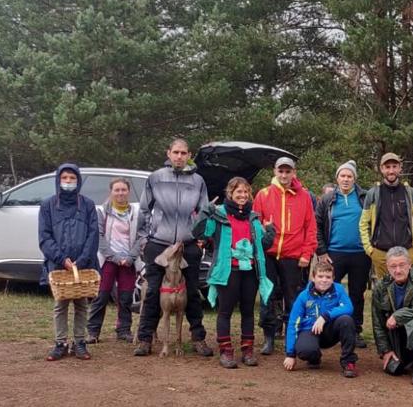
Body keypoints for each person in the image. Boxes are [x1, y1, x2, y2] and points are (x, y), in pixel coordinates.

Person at [134, 139, 213, 357]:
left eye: (183, 153)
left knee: (193, 293)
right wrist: (143, 239)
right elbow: (143, 210)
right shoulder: (156, 178)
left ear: (189, 155)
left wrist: (202, 238)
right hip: (159, 243)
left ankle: (198, 338)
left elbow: (204, 211)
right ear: (168, 153)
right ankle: (144, 338)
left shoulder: (198, 181)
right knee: (151, 292)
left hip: (187, 245)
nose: (179, 156)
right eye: (175, 152)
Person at [193, 177, 275, 368]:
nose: (243, 195)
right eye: (239, 192)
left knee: (248, 311)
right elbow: (199, 233)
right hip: (228, 270)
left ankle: (247, 351)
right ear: (230, 193)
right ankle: (226, 352)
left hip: (250, 270)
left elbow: (262, 245)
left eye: (246, 192)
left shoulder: (253, 217)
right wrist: (205, 212)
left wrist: (270, 231)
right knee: (225, 311)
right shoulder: (219, 214)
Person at [251, 156, 318, 356]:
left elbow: (310, 227)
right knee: (268, 297)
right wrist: (259, 245)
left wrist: (307, 253)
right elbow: (254, 226)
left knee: (293, 298)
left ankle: (292, 335)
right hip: (268, 255)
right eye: (281, 171)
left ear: (294, 173)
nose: (284, 175)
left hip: (293, 255)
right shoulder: (263, 195)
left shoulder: (304, 196)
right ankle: (269, 337)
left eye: (288, 171)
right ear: (275, 171)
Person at [40, 164, 100, 361]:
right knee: (61, 304)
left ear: (78, 180)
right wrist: (60, 258)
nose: (68, 182)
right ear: (58, 180)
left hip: (82, 264)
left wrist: (82, 259)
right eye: (64, 178)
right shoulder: (48, 205)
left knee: (81, 303)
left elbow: (93, 235)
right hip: (58, 265)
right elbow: (45, 236)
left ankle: (80, 342)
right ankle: (60, 343)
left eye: (71, 178)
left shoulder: (87, 205)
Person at [316, 160, 372, 348]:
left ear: (354, 178)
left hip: (360, 254)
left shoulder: (364, 197)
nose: (346, 179)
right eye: (343, 176)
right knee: (330, 292)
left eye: (349, 176)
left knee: (357, 293)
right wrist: (322, 251)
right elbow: (317, 225)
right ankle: (330, 327)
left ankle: (355, 330)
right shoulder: (328, 199)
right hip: (334, 253)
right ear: (337, 178)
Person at [370, 246, 413, 385]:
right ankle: (406, 359)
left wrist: (398, 316)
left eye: (402, 265)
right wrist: (385, 350)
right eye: (393, 266)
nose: (398, 270)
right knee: (395, 369)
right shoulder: (381, 286)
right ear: (387, 267)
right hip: (396, 334)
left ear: (409, 264)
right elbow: (377, 322)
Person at [282, 260, 358, 377]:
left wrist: (325, 316)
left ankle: (348, 362)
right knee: (305, 350)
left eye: (328, 277)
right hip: (310, 330)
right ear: (313, 277)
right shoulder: (304, 296)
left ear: (333, 279)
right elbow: (293, 324)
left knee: (346, 320)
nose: (324, 280)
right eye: (320, 276)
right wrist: (290, 354)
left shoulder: (339, 290)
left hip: (330, 331)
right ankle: (314, 357)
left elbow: (348, 307)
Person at [87, 177, 140, 343]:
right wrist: (115, 257)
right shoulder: (102, 212)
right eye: (116, 190)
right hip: (108, 260)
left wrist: (131, 257)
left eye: (123, 190)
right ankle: (93, 332)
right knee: (101, 296)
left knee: (125, 298)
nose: (120, 193)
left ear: (128, 192)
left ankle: (123, 330)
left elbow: (141, 236)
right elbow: (99, 237)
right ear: (111, 192)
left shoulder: (136, 213)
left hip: (128, 261)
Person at [359, 153, 413, 279]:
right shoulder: (373, 194)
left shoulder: (410, 193)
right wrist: (369, 249)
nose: (391, 170)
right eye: (387, 167)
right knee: (384, 294)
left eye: (394, 166)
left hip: (407, 253)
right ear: (381, 169)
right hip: (381, 254)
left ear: (400, 168)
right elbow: (363, 223)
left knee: (408, 293)